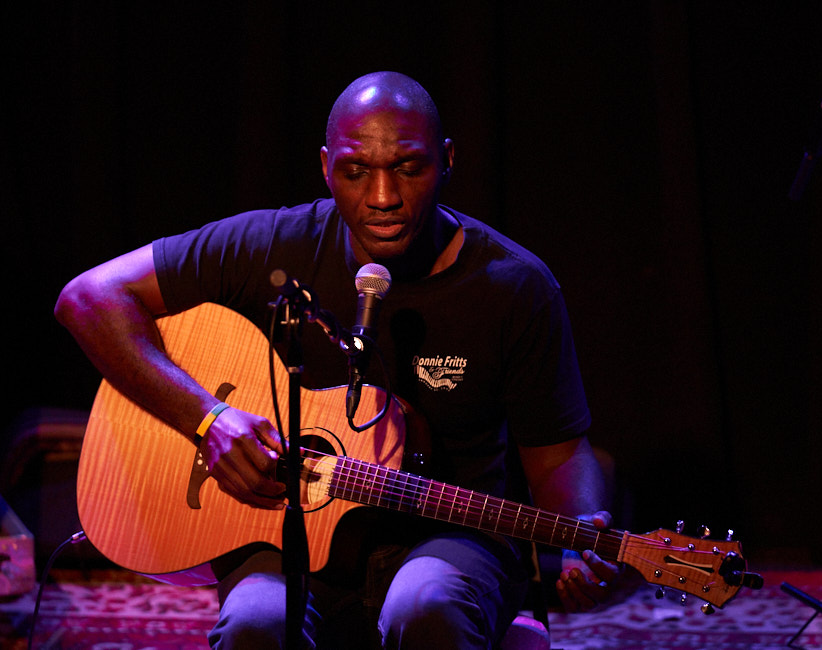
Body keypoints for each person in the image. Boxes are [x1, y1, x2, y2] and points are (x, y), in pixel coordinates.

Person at [55, 71, 620, 648]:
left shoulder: (514, 286)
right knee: (255, 624)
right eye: (355, 172)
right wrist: (208, 418)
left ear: (447, 161)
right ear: (326, 167)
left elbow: (558, 455)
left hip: (447, 535)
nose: (382, 198)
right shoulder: (273, 245)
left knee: (424, 606)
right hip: (284, 537)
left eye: (409, 167)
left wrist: (583, 538)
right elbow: (88, 299)